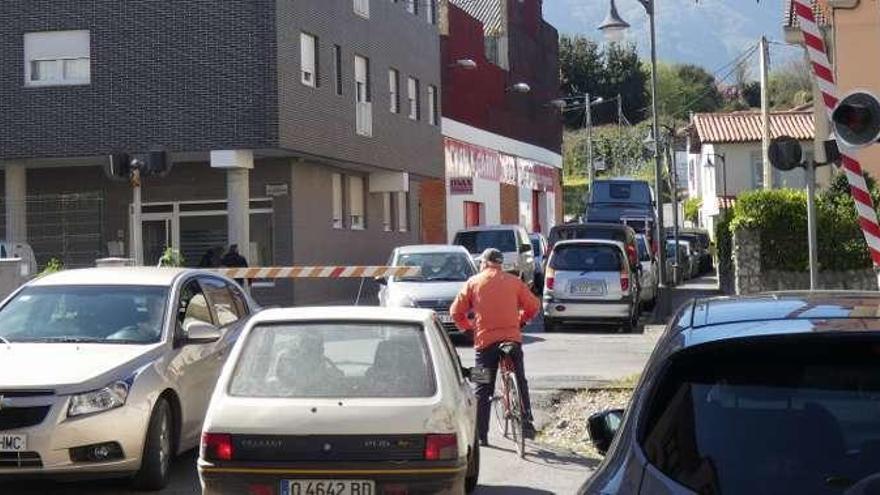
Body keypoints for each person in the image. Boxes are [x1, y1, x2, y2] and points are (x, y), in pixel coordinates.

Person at [450, 248, 540, 446]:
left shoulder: (474, 282)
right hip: (511, 342)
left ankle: (481, 435)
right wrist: (521, 321)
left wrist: (468, 330)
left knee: (483, 385)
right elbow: (534, 306)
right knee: (520, 377)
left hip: (486, 343)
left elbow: (455, 312)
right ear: (500, 264)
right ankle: (526, 421)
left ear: (484, 263)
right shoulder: (515, 282)